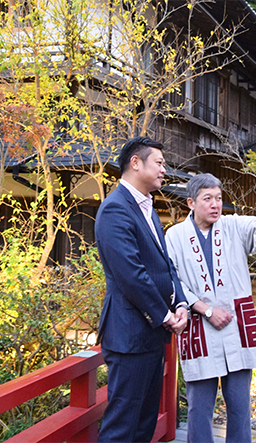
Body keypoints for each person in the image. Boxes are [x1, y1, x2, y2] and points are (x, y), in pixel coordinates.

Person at [165, 173, 256, 443]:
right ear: (191, 203)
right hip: (199, 328)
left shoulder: (232, 225)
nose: (215, 204)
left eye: (219, 198)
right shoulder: (175, 236)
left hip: (237, 326)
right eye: (207, 198)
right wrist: (204, 309)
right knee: (199, 407)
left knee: (240, 407)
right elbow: (172, 279)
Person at [95, 136, 189, 443]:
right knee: (123, 425)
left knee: (145, 421)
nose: (165, 170)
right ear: (136, 163)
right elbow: (131, 275)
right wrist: (164, 315)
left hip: (151, 332)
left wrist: (182, 304)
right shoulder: (115, 210)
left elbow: (165, 266)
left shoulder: (147, 208)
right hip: (129, 334)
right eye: (159, 163)